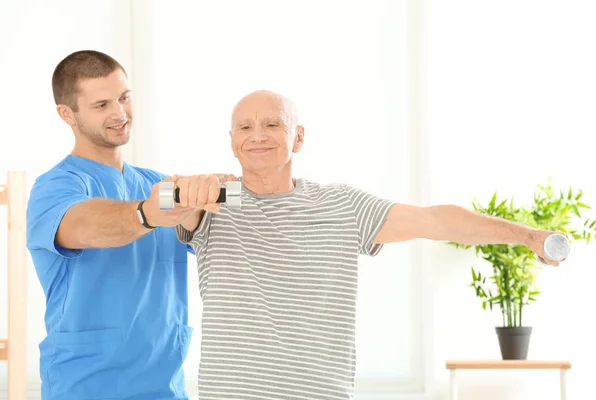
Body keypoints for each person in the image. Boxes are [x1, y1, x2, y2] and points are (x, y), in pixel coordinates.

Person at [171, 90, 566, 400]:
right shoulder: (216, 200)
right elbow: (158, 203)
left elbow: (435, 220)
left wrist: (527, 236)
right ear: (232, 141)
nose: (257, 135)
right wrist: (187, 189)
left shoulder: (339, 204)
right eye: (245, 127)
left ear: (299, 137)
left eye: (272, 124)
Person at [25, 50, 217, 400]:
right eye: (101, 105)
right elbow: (83, 225)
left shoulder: (159, 185)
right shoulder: (54, 187)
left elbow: (221, 235)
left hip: (165, 388)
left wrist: (211, 197)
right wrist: (147, 214)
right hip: (85, 387)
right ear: (67, 114)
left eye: (124, 97)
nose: (120, 113)